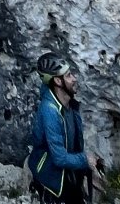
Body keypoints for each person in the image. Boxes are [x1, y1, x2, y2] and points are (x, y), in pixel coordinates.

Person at [27, 51, 106, 199]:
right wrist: (85, 160)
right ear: (58, 81)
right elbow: (59, 158)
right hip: (53, 179)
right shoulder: (50, 112)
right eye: (69, 75)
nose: (74, 78)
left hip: (68, 174)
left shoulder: (69, 104)